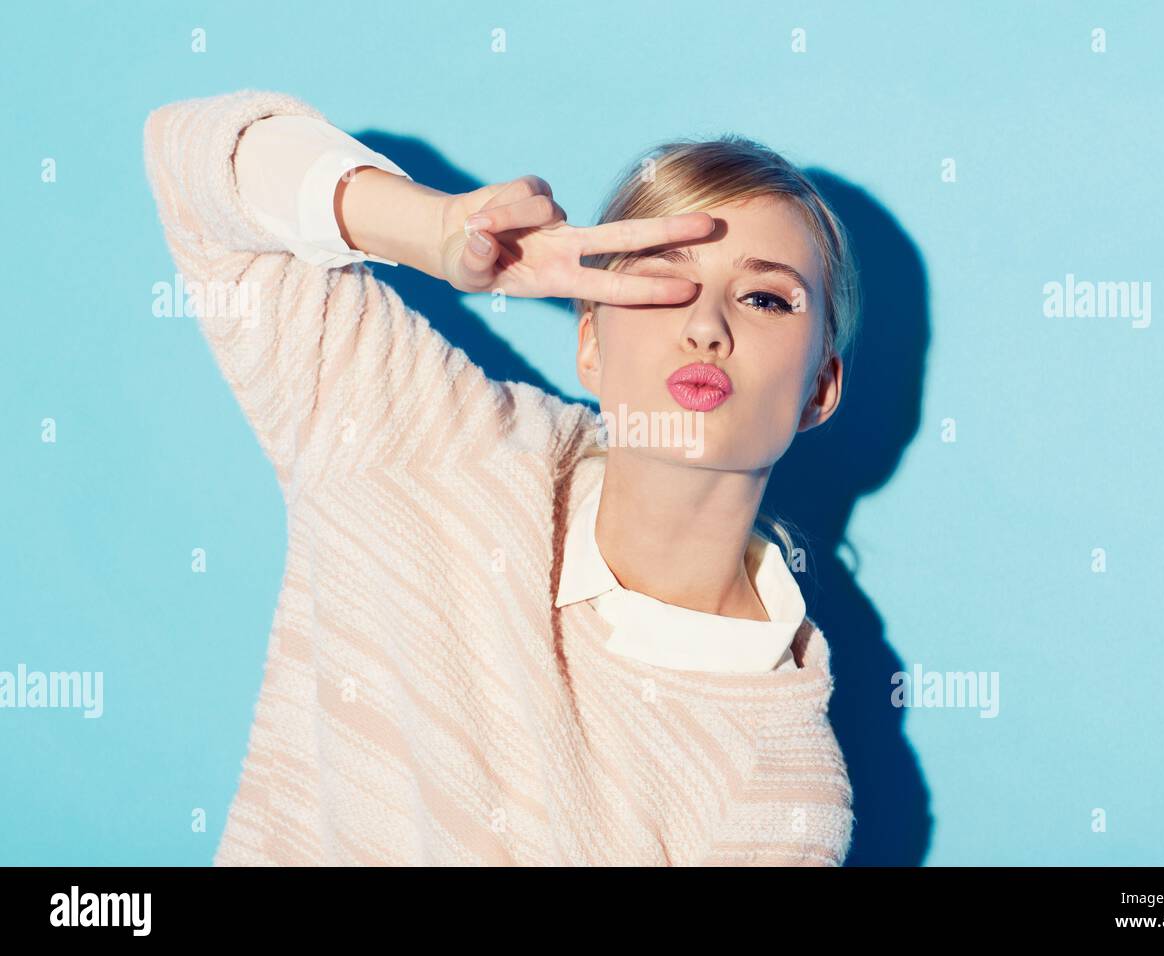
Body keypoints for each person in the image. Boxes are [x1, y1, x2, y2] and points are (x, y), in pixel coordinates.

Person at [143, 88, 860, 865]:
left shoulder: (781, 784)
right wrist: (434, 230)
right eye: (664, 281)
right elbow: (192, 159)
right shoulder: (433, 443)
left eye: (764, 297)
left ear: (820, 388)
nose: (705, 326)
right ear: (590, 343)